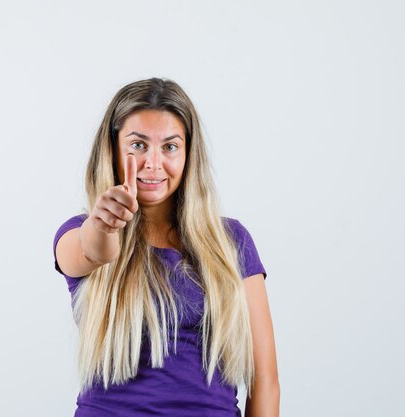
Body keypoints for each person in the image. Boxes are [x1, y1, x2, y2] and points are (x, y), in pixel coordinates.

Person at [52, 78, 279, 417]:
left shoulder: (231, 241)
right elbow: (93, 251)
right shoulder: (79, 231)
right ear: (113, 149)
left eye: (170, 146)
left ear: (189, 154)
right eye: (138, 145)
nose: (153, 163)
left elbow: (265, 381)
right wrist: (102, 224)